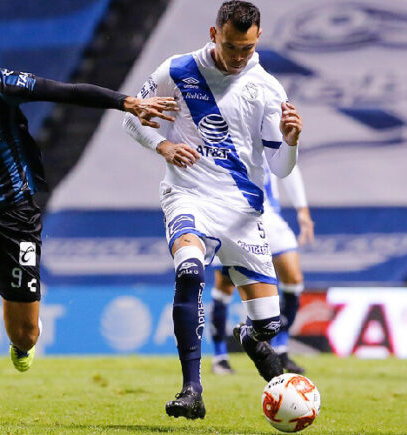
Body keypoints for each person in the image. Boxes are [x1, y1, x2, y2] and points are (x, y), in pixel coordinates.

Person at [0, 6, 178, 424]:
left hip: (17, 216)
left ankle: (22, 346)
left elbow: (68, 91)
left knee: (25, 334)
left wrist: (126, 102)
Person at [124, 0, 303, 420]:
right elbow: (132, 117)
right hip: (188, 195)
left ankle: (249, 335)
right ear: (213, 34)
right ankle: (192, 388)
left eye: (247, 48)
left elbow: (279, 167)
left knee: (268, 325)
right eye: (231, 46)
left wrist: (292, 141)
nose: (239, 57)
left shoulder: (268, 89)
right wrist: (162, 144)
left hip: (243, 212)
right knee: (189, 269)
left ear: (257, 39)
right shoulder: (177, 70)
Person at [210, 165, 314, 376]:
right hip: (232, 219)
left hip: (269, 217)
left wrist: (302, 210)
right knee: (224, 286)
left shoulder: (267, 132)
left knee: (293, 279)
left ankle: (282, 348)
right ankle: (220, 356)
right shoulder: (218, 136)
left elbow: (289, 166)